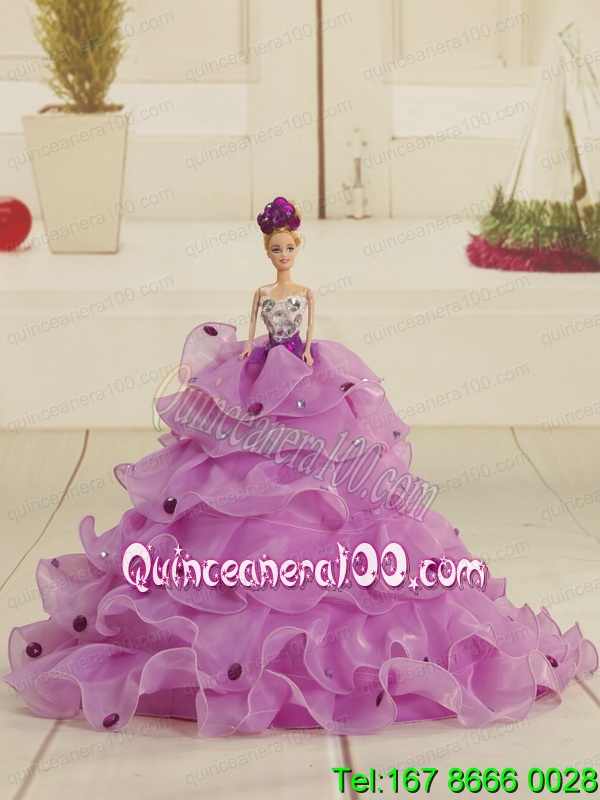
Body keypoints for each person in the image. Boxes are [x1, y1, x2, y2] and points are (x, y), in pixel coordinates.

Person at [4, 197, 598, 738]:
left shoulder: (303, 294)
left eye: (288, 247)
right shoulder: (265, 294)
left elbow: (308, 333)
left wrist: (307, 358)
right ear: (269, 250)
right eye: (276, 248)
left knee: (340, 488)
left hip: (303, 370)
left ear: (297, 247)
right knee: (236, 476)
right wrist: (249, 356)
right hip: (261, 371)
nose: (282, 255)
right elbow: (253, 326)